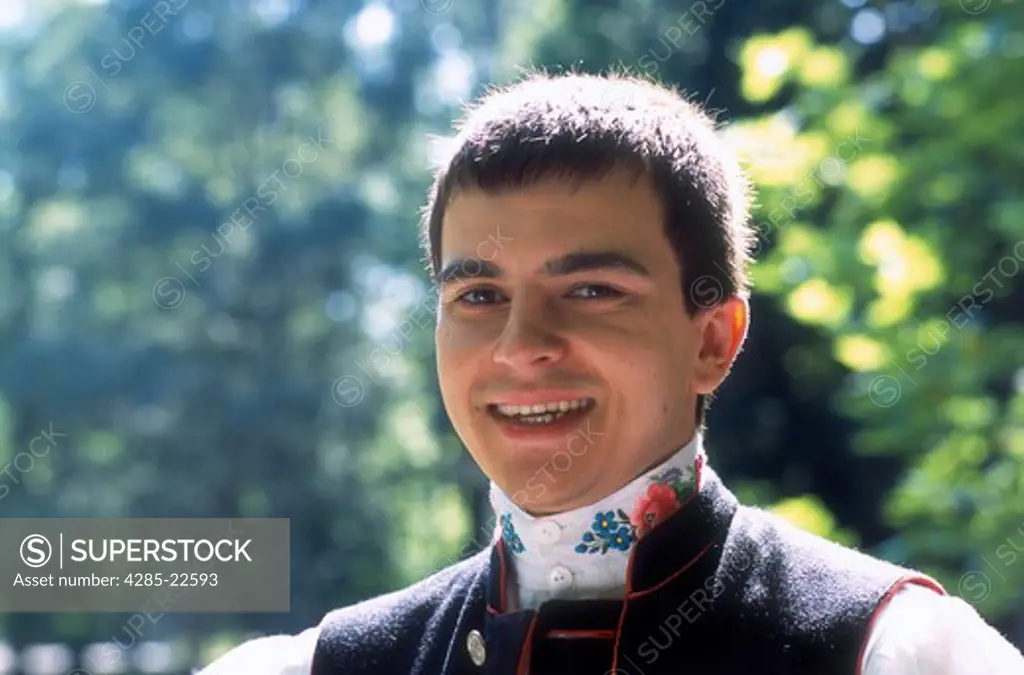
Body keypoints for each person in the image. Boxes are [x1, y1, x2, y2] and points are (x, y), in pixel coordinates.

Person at [198, 72, 1024, 674]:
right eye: (480, 293)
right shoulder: (316, 668)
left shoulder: (896, 652)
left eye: (591, 289)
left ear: (714, 339)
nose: (522, 346)